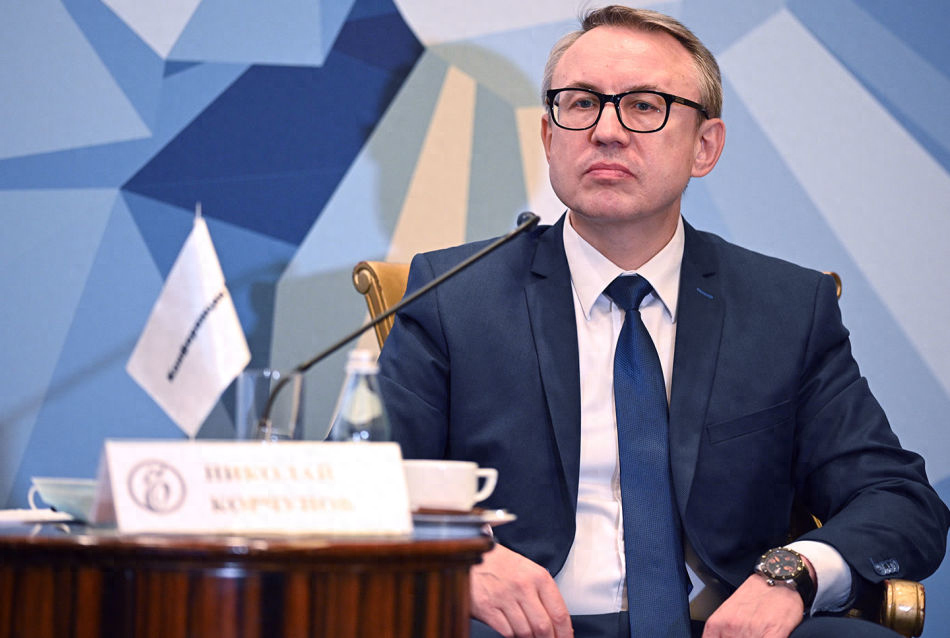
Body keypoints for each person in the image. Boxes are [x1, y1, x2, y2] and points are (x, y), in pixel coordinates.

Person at [377, 5, 950, 638]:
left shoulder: (785, 308)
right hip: (521, 628)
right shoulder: (456, 296)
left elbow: (899, 500)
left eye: (644, 106)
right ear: (549, 136)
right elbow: (355, 486)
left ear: (706, 146)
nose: (606, 131)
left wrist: (793, 574)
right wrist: (458, 554)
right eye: (581, 103)